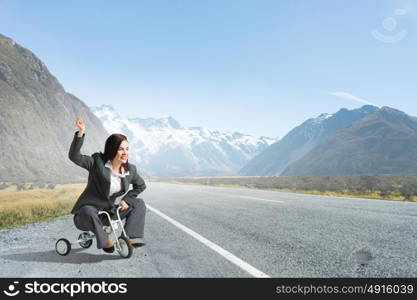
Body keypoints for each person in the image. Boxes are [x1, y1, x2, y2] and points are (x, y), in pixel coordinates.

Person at [69, 117, 147, 253]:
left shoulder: (130, 170)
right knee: (88, 210)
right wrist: (80, 132)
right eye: (121, 149)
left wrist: (126, 200)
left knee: (139, 203)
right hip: (86, 216)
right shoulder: (96, 162)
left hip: (108, 215)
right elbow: (74, 156)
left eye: (127, 149)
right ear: (112, 149)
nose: (125, 153)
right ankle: (104, 241)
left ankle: (128, 238)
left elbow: (141, 185)